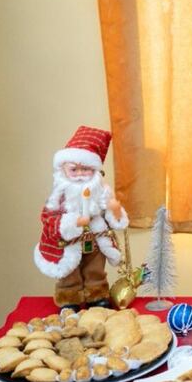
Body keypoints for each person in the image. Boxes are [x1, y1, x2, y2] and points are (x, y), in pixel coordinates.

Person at [34, 126, 129, 308]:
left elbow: (114, 218)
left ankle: (97, 296)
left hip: (95, 239)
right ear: (63, 169)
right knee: (70, 273)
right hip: (67, 244)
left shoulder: (101, 191)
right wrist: (75, 222)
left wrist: (115, 210)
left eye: (85, 169)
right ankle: (69, 299)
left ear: (95, 171)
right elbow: (48, 219)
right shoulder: (59, 195)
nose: (79, 175)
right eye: (74, 170)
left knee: (95, 270)